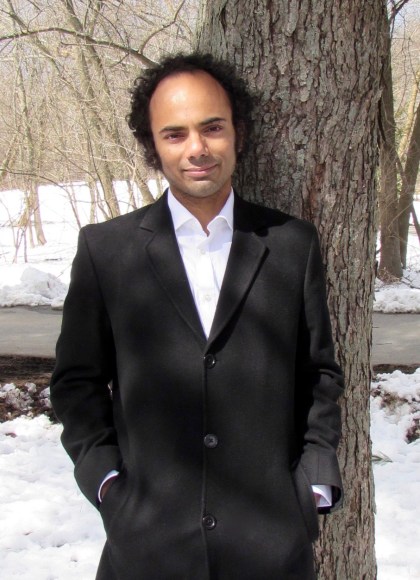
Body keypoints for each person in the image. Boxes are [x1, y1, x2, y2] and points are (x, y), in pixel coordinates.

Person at [50, 52, 344, 580]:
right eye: (175, 134)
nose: (197, 149)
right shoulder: (106, 250)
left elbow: (319, 374)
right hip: (145, 551)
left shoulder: (292, 244)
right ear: (153, 144)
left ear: (237, 132)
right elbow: (76, 383)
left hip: (272, 549)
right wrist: (107, 485)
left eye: (212, 127)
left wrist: (311, 489)